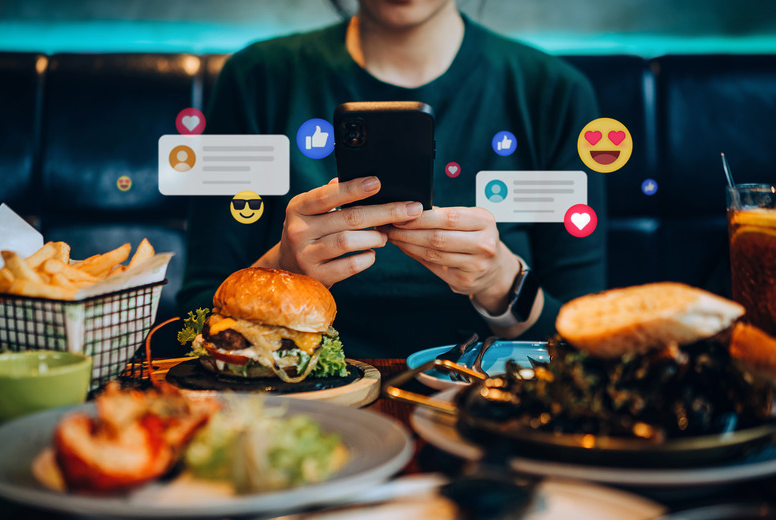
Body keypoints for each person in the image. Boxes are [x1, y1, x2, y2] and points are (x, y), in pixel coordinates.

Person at [178, 0, 606, 358]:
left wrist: (501, 283)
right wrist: (280, 270)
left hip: (488, 410)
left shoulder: (553, 94)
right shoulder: (253, 80)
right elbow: (194, 315)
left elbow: (584, 337)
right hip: (300, 405)